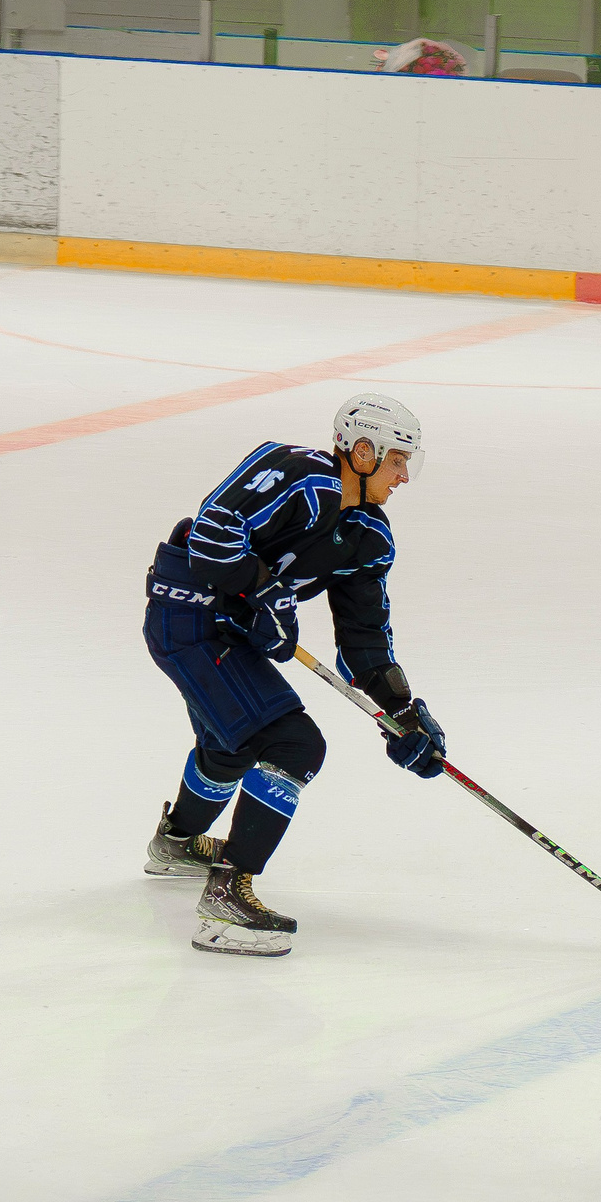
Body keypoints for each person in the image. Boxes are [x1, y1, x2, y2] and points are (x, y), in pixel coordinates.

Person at [142, 396, 445, 957]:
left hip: (227, 631)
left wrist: (401, 713)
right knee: (292, 743)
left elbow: (364, 645)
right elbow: (212, 531)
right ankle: (227, 900)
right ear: (362, 450)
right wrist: (262, 588)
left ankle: (177, 843)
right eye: (398, 460)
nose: (405, 475)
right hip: (186, 615)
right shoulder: (294, 471)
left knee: (232, 747)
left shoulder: (367, 537)